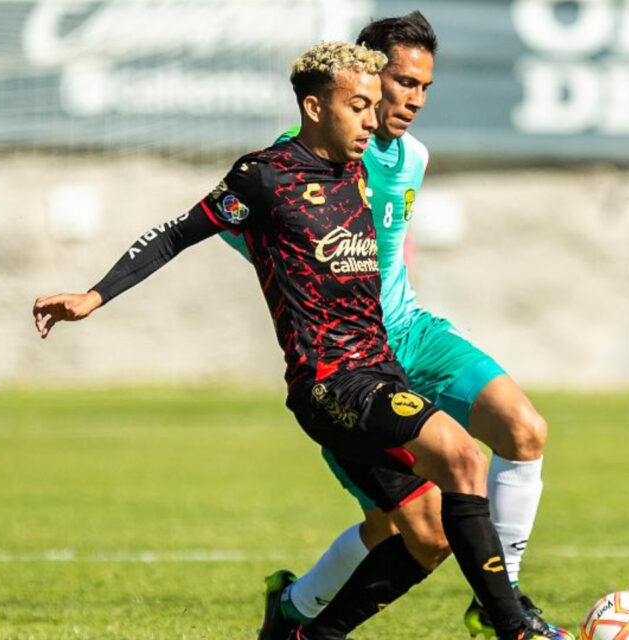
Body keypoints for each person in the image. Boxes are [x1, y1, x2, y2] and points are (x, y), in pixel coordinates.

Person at [31, 41, 550, 640]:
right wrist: (94, 295)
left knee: (428, 535)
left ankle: (305, 632)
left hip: (381, 372)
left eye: (376, 105)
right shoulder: (264, 177)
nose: (372, 118)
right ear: (313, 107)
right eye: (359, 106)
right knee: (463, 457)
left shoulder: (359, 168)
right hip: (333, 382)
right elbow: (178, 232)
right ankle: (513, 628)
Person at [222, 13, 568, 640]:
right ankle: (295, 611)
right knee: (410, 530)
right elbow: (234, 225)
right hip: (348, 361)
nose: (413, 99)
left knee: (524, 429)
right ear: (366, 74)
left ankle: (500, 603)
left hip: (410, 332)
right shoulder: (299, 153)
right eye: (402, 81)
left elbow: (387, 246)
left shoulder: (413, 157)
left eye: (424, 87)